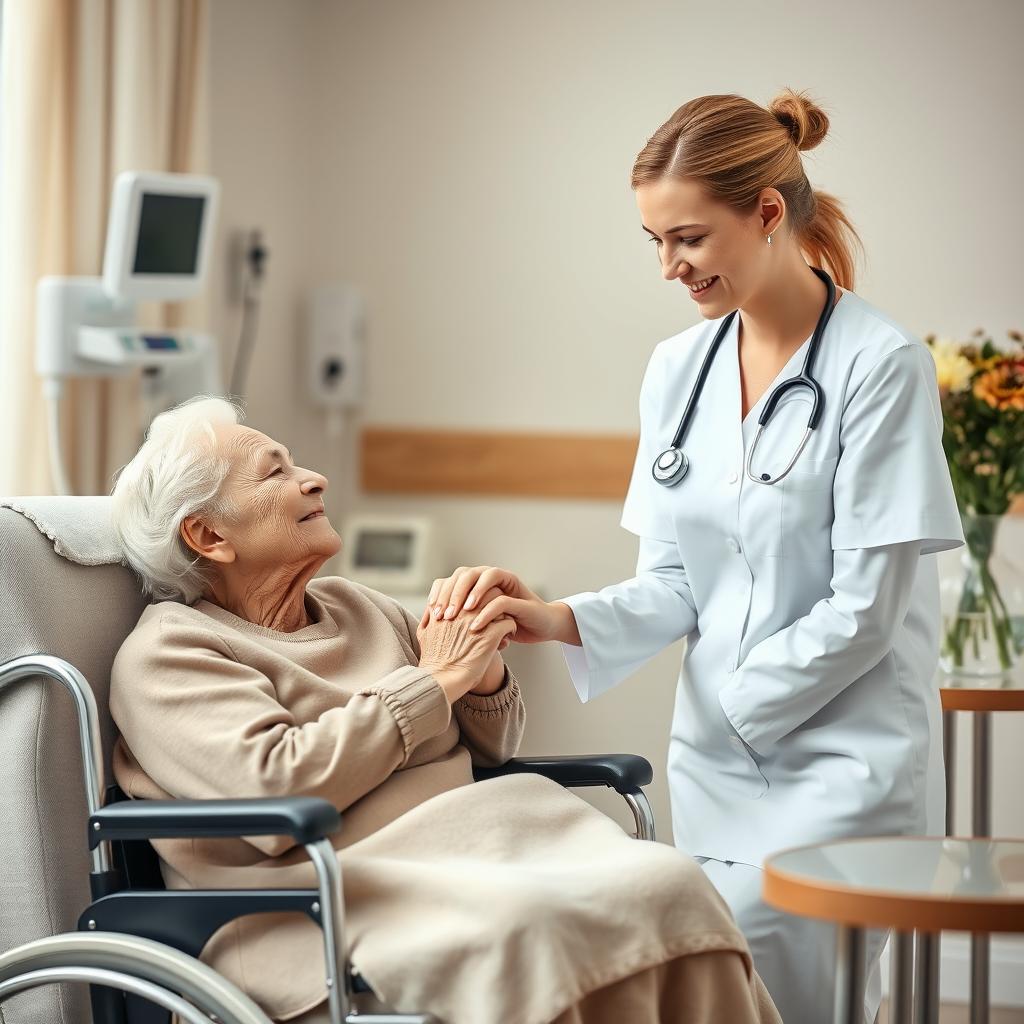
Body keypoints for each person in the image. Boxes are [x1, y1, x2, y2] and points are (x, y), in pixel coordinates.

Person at [427, 88, 964, 1024]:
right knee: (711, 992)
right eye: (656, 242)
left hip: (845, 762)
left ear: (766, 213)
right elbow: (675, 580)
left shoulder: (882, 366)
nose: (671, 266)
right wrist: (555, 617)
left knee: (790, 993)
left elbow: (868, 607)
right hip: (716, 775)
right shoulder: (680, 370)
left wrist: (737, 700)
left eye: (690, 238)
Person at [108, 396, 781, 1024]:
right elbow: (278, 790)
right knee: (535, 925)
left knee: (665, 884)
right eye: (275, 473)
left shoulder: (355, 606)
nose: (313, 479)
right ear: (208, 535)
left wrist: (481, 669)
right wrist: (437, 678)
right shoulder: (172, 653)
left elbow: (491, 746)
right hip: (319, 904)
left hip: (489, 848)